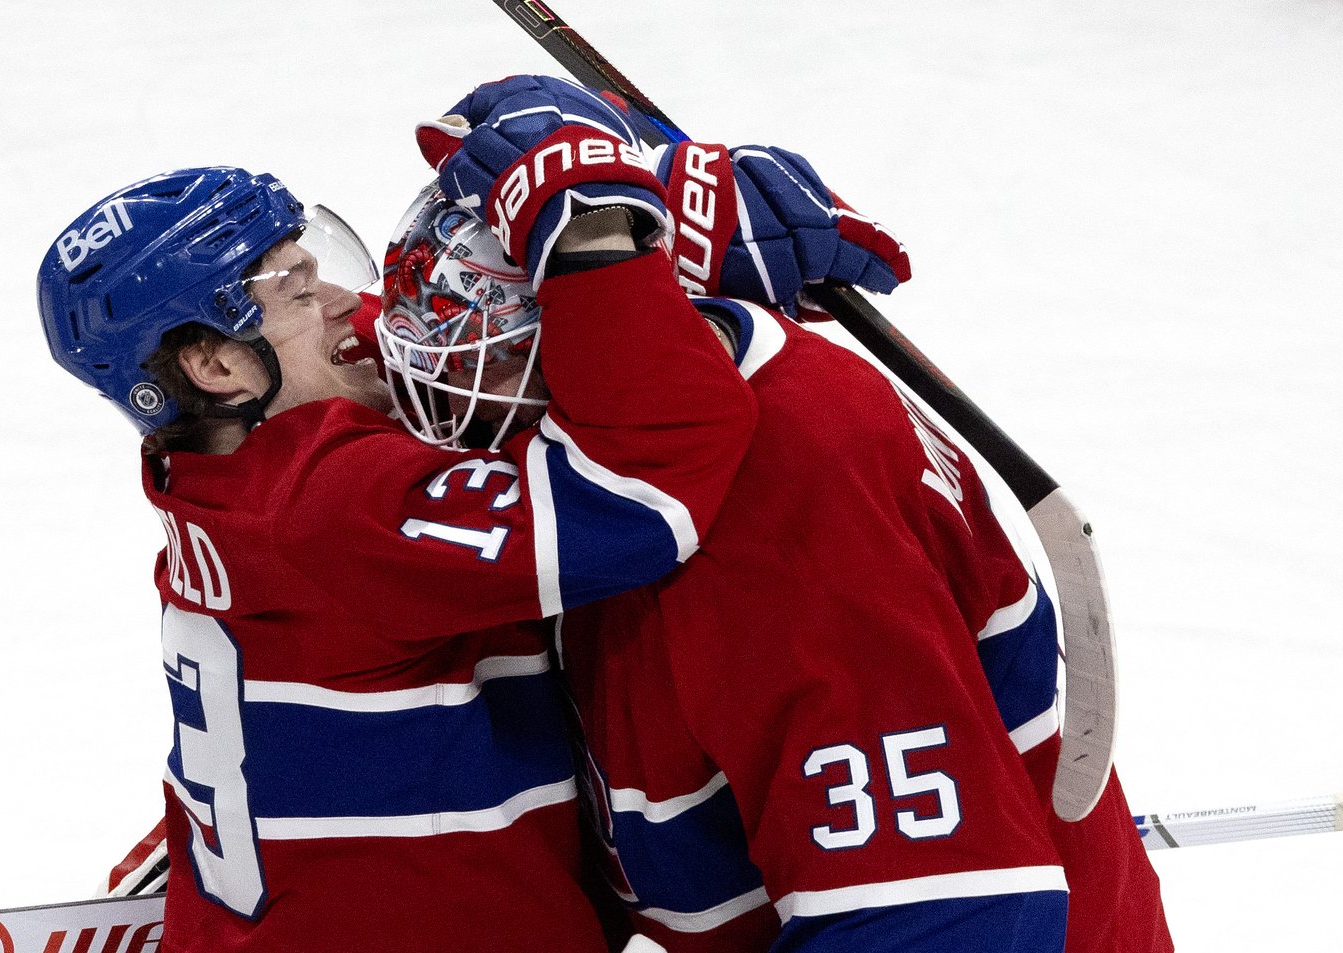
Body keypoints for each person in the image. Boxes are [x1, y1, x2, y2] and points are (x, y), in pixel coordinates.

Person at [402, 75, 1172, 953]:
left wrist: (610, 220)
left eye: (487, 332)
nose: (435, 374)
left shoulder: (785, 500)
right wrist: (636, 190)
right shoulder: (659, 421)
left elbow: (941, 919)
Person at [36, 79, 759, 953]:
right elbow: (642, 497)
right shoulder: (340, 504)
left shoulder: (210, 469)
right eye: (303, 294)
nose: (350, 304)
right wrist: (599, 248)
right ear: (219, 366)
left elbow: (409, 333)